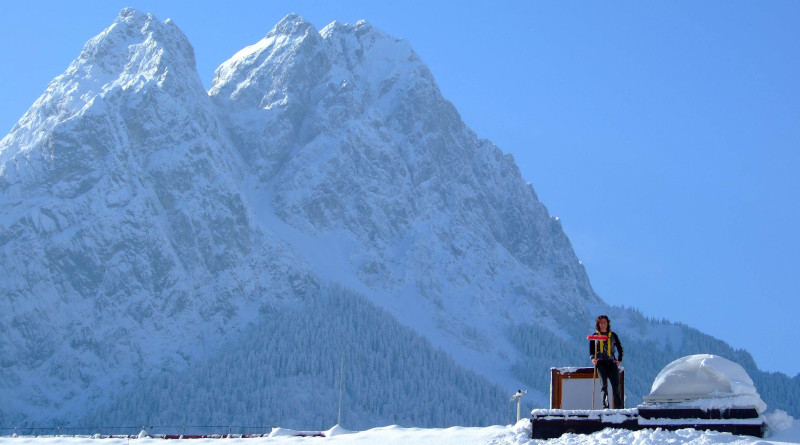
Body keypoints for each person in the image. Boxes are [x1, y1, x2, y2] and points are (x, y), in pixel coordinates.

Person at [589, 315, 624, 409]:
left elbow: (620, 348)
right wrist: (593, 358)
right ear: (598, 324)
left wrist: (619, 359)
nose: (603, 324)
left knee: (616, 385)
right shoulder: (595, 336)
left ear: (607, 323)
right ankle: (606, 407)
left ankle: (619, 408)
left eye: (605, 322)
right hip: (601, 363)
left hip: (611, 362)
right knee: (603, 386)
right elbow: (591, 350)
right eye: (601, 322)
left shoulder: (613, 335)